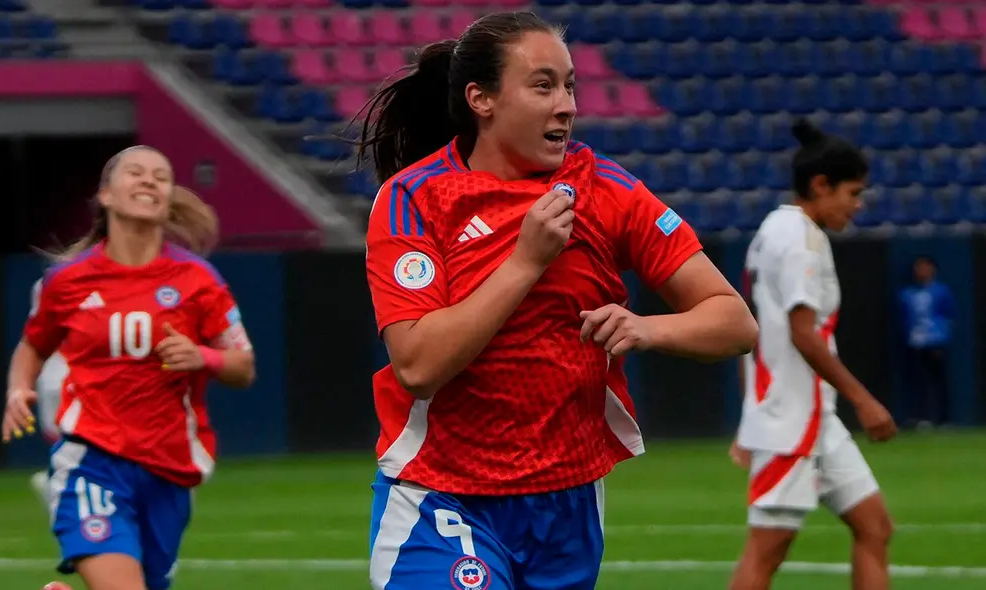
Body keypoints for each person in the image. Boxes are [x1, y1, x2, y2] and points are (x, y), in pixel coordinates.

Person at [356, 11, 758, 590]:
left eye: (570, 85)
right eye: (543, 85)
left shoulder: (608, 189)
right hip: (440, 496)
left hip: (568, 502)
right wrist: (525, 262)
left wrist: (649, 329)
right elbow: (418, 364)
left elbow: (736, 324)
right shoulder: (412, 200)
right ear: (481, 99)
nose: (566, 104)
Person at [1, 146, 256, 590]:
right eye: (135, 172)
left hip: (169, 468)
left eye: (161, 176)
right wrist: (18, 389)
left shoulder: (199, 280)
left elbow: (244, 366)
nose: (148, 181)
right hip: (91, 459)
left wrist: (205, 357)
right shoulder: (68, 281)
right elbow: (32, 345)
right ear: (106, 195)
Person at [729, 120, 897, 590]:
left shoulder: (771, 229)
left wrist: (749, 416)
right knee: (765, 553)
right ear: (821, 185)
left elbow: (757, 333)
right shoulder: (801, 238)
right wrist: (864, 399)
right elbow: (804, 334)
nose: (857, 205)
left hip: (810, 418)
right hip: (792, 420)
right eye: (853, 192)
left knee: (874, 526)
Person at [28, 277, 71, 507]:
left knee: (60, 439)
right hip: (68, 372)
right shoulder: (57, 281)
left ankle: (55, 483)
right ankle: (58, 485)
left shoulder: (45, 282)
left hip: (50, 373)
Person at [898, 255, 954, 428]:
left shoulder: (941, 291)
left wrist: (941, 338)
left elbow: (949, 315)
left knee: (940, 382)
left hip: (935, 342)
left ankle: (943, 418)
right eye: (918, 267)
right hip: (915, 343)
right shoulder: (906, 293)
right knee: (919, 382)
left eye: (925, 267)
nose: (921, 271)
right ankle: (923, 417)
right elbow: (904, 318)